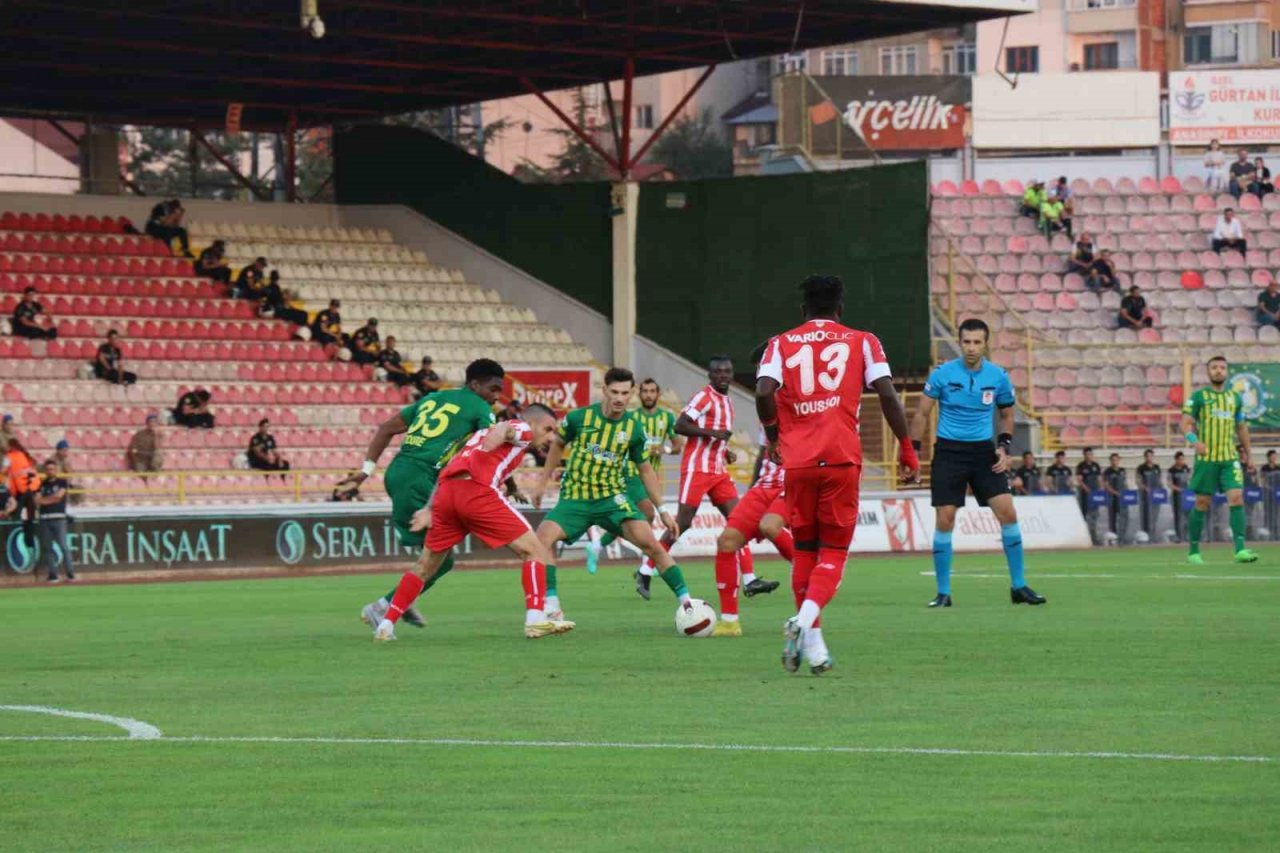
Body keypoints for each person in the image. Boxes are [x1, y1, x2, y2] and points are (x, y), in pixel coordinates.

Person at [759, 275, 918, 673]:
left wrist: (774, 436)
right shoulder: (863, 340)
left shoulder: (780, 343)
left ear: (803, 311)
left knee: (806, 551)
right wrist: (907, 447)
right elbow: (887, 394)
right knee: (833, 554)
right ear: (840, 308)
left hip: (798, 463)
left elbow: (763, 392)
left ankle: (814, 647)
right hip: (841, 459)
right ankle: (801, 622)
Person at [374, 405, 574, 642]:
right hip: (476, 491)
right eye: (548, 429)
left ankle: (385, 626)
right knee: (535, 551)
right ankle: (535, 619)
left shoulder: (478, 437)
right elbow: (507, 428)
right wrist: (498, 435)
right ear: (533, 423)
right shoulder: (522, 428)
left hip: (447, 494)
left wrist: (429, 508)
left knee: (425, 566)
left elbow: (448, 470)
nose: (552, 436)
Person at [528, 367, 698, 625]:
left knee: (651, 544)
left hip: (612, 499)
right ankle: (552, 605)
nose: (619, 398)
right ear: (604, 390)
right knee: (542, 539)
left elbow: (645, 469)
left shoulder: (633, 428)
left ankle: (688, 604)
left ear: (631, 393)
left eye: (625, 393)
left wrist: (662, 509)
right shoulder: (578, 418)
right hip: (576, 497)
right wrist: (542, 482)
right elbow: (558, 445)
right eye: (614, 392)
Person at [356, 359, 507, 631]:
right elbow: (491, 446)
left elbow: (385, 428)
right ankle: (385, 606)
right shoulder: (479, 407)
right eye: (493, 389)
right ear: (474, 385)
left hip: (399, 472)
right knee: (442, 559)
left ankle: (404, 597)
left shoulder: (433, 398)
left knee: (434, 555)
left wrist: (366, 470)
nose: (496, 397)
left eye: (499, 391)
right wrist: (511, 482)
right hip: (420, 478)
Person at [910, 318, 1043, 610]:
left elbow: (1007, 414)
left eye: (977, 342)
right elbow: (921, 413)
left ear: (985, 343)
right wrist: (913, 452)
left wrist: (1004, 447)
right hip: (949, 453)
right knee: (945, 518)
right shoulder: (942, 374)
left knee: (1008, 513)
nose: (971, 347)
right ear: (960, 342)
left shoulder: (998, 377)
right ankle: (943, 592)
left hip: (984, 454)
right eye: (966, 342)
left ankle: (1019, 586)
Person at [636, 357, 760, 600]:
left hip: (718, 470)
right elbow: (681, 425)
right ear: (710, 375)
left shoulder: (728, 402)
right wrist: (713, 433)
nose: (724, 375)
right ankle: (645, 570)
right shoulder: (703, 397)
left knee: (738, 521)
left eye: (727, 371)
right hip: (697, 469)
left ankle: (750, 579)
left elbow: (714, 439)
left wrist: (725, 451)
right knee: (682, 523)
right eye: (718, 372)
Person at [584, 376, 684, 585]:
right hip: (629, 472)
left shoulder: (666, 417)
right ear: (639, 394)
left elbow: (677, 445)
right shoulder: (632, 418)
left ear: (658, 394)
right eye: (645, 391)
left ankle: (599, 546)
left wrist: (663, 449)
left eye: (652, 391)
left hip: (651, 476)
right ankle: (648, 560)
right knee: (647, 512)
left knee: (634, 519)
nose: (648, 395)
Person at [1182, 355, 1258, 564]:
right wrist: (1194, 441)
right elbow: (1186, 423)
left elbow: (1241, 428)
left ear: (1227, 372)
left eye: (1222, 368)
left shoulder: (1235, 398)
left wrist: (1249, 455)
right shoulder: (1198, 397)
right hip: (1207, 459)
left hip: (1229, 458)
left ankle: (1240, 550)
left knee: (1236, 497)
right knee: (1202, 502)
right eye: (1214, 367)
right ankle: (1194, 551)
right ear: (1208, 372)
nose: (1218, 371)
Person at [35, 459, 75, 583]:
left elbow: (58, 497)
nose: (50, 471)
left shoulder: (62, 482)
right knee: (47, 548)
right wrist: (49, 500)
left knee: (63, 546)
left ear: (56, 470)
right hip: (45, 519)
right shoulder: (41, 484)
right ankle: (53, 575)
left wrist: (44, 500)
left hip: (58, 518)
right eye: (48, 469)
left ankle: (70, 574)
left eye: (52, 469)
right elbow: (37, 500)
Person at [5, 438, 39, 548]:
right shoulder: (25, 455)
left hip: (20, 491)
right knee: (29, 517)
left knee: (15, 515)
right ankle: (30, 542)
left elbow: (3, 471)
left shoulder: (9, 457)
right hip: (30, 489)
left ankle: (13, 540)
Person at [1076, 448, 1102, 542]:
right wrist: (1087, 489)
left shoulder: (1096, 465)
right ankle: (1083, 536)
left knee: (1094, 514)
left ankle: (1093, 535)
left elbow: (1099, 479)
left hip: (1095, 494)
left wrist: (1100, 489)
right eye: (1087, 454)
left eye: (1090, 454)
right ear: (1084, 455)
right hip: (1085, 494)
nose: (1089, 456)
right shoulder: (1081, 466)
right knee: (1084, 514)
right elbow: (1079, 480)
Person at [1135, 449, 1161, 541]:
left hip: (1155, 496)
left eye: (1151, 456)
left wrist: (1160, 489)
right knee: (1145, 515)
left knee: (1155, 515)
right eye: (1147, 456)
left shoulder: (1156, 467)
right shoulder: (1141, 468)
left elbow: (1159, 480)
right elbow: (1138, 481)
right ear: (1145, 457)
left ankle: (1153, 535)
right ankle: (1146, 535)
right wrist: (1145, 488)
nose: (1149, 458)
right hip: (1145, 496)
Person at [1168, 451, 1191, 543]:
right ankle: (1179, 535)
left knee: (1188, 515)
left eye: (1183, 459)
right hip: (1176, 496)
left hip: (1187, 496)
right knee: (1178, 516)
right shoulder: (1172, 470)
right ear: (1176, 460)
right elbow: (1170, 483)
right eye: (1180, 459)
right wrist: (1179, 489)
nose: (1182, 461)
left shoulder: (1186, 468)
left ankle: (1187, 535)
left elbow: (1190, 479)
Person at [1103, 453, 1127, 540]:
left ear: (1119, 460)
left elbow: (1124, 483)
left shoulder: (1122, 470)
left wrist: (1126, 492)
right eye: (1113, 460)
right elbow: (1106, 485)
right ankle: (1113, 537)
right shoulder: (1107, 472)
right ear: (1110, 460)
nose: (1115, 461)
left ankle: (1123, 536)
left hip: (1122, 498)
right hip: (1112, 498)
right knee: (1112, 518)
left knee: (1124, 517)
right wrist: (1115, 493)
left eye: (1116, 460)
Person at [53, 439, 80, 507]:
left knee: (78, 489)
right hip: (54, 484)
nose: (66, 452)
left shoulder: (65, 460)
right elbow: (56, 475)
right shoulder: (52, 460)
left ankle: (72, 507)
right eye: (64, 450)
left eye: (66, 450)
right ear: (58, 450)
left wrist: (68, 482)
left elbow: (70, 473)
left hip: (63, 484)